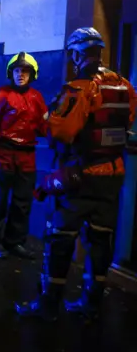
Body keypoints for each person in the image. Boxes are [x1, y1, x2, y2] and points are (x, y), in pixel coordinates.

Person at [16, 27, 137, 321]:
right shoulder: (124, 86)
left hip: (79, 176)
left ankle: (48, 307)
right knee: (101, 241)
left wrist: (48, 121)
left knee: (60, 239)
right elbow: (128, 120)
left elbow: (63, 132)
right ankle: (91, 304)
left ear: (77, 54)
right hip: (113, 174)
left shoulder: (79, 89)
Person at [0, 52, 48, 259]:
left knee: (22, 202)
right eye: (17, 70)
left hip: (26, 156)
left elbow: (46, 127)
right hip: (3, 154)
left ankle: (15, 242)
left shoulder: (37, 98)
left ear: (32, 74)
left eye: (25, 71)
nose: (20, 74)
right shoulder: (0, 94)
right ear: (11, 73)